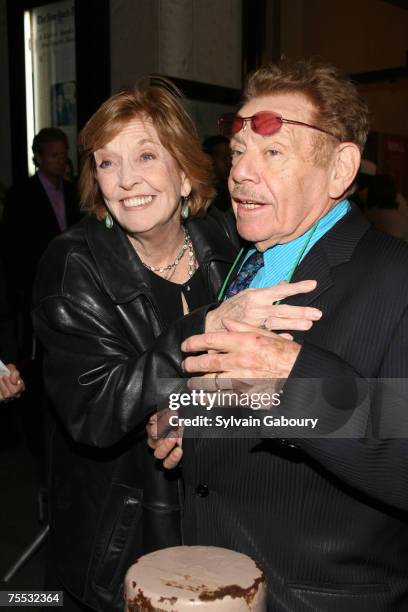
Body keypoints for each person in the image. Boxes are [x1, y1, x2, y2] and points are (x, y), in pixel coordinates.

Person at [32, 78, 319, 611]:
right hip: (122, 539)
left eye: (145, 155)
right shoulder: (73, 264)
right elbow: (95, 409)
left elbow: (252, 375)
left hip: (224, 514)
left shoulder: (227, 241)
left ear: (185, 172)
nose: (125, 181)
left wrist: (201, 411)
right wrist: (201, 328)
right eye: (107, 162)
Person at [149, 60, 408, 611]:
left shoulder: (397, 278)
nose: (240, 172)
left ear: (340, 170)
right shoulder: (239, 264)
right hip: (212, 583)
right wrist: (193, 415)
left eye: (271, 152)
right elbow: (240, 393)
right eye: (239, 151)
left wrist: (294, 384)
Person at [202, 134, 232, 212]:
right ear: (208, 159)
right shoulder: (202, 195)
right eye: (224, 158)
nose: (229, 163)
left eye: (231, 158)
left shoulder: (231, 188)